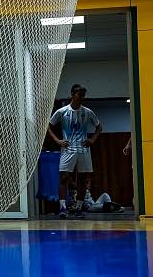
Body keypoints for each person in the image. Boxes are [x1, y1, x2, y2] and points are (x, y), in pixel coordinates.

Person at [47, 84, 102, 219]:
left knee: (83, 179)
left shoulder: (88, 112)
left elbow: (99, 127)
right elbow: (48, 126)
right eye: (79, 95)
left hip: (84, 149)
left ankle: (78, 208)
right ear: (72, 94)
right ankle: (63, 208)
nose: (81, 97)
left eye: (83, 95)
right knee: (63, 177)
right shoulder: (62, 111)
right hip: (68, 149)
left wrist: (93, 139)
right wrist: (58, 141)